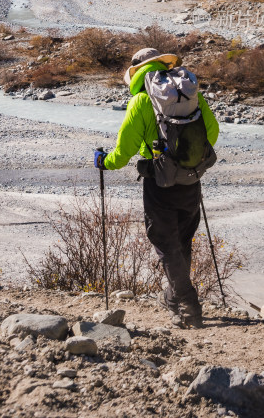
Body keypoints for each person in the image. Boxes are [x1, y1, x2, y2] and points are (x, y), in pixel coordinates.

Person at [94, 47, 219, 329]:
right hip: (191, 180)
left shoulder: (140, 101)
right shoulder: (189, 93)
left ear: (137, 72)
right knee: (182, 241)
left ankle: (189, 306)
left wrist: (105, 162)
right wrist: (187, 156)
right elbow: (212, 131)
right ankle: (173, 299)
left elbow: (124, 151)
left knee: (166, 245)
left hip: (159, 184)